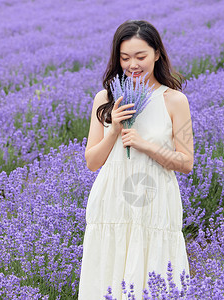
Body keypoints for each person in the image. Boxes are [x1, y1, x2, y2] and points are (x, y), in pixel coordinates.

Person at [78, 19, 194, 299]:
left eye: (141, 56)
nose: (133, 64)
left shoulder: (175, 101)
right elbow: (92, 162)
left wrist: (145, 145)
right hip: (112, 200)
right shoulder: (104, 99)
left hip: (154, 200)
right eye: (125, 57)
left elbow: (186, 162)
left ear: (157, 54)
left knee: (153, 274)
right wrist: (114, 130)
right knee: (109, 273)